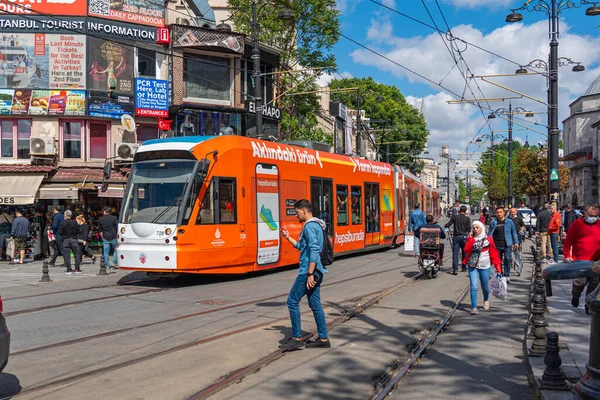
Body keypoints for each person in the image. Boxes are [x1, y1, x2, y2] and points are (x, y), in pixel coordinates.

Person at [280, 199, 329, 350]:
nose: (296, 215)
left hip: (308, 271)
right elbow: (304, 247)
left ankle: (296, 337)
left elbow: (313, 250)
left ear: (304, 211)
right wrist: (288, 237)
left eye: (297, 212)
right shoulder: (318, 225)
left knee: (292, 301)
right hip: (318, 270)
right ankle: (323, 338)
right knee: (315, 304)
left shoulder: (308, 227)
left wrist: (309, 274)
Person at [563, 204, 600, 315]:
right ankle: (576, 295)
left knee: (594, 285)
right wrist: (567, 256)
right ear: (584, 214)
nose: (593, 217)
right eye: (591, 215)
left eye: (595, 215)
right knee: (580, 282)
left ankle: (588, 305)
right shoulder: (577, 224)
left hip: (596, 262)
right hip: (580, 260)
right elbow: (568, 241)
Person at [463, 221, 503, 315]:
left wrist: (498, 267)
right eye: (474, 228)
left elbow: (493, 254)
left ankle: (486, 299)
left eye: (477, 227)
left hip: (485, 266)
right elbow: (466, 250)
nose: (475, 229)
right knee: (474, 286)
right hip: (473, 266)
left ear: (482, 228)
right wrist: (471, 239)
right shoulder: (471, 238)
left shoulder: (488, 239)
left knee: (485, 287)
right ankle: (474, 307)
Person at [488, 207, 519, 282]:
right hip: (496, 245)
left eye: (500, 212)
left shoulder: (509, 221)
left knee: (507, 259)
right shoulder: (493, 222)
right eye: (497, 212)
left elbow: (513, 232)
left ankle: (506, 275)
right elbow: (490, 233)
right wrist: (489, 242)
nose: (499, 214)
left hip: (507, 244)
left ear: (504, 213)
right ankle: (499, 274)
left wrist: (516, 242)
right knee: (498, 261)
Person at [444, 205, 471, 275]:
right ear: (465, 211)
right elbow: (469, 229)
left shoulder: (455, 217)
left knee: (455, 253)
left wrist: (446, 228)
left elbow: (448, 225)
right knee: (464, 253)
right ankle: (464, 267)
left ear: (459, 210)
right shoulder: (467, 219)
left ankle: (455, 269)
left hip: (456, 237)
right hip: (464, 237)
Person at [59, 210, 82, 274]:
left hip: (66, 239)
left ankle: (69, 269)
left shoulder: (62, 223)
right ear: (71, 215)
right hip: (74, 239)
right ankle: (77, 269)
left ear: (65, 216)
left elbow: (60, 232)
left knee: (67, 255)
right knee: (77, 254)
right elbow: (79, 231)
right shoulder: (74, 222)